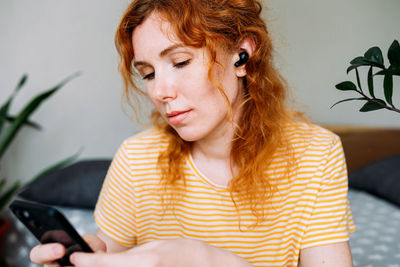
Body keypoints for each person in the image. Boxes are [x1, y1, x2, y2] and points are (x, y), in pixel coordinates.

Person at [30, 0, 355, 266]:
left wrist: (208, 259)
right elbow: (108, 256)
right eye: (148, 73)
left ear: (241, 55)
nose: (160, 91)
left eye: (181, 62)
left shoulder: (316, 153)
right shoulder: (136, 159)